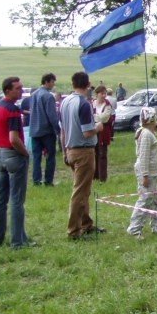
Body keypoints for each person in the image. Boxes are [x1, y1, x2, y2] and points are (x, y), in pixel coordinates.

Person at [0, 77, 33, 248]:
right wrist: (25, 153)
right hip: (14, 155)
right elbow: (14, 138)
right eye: (18, 88)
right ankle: (18, 241)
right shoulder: (12, 110)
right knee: (16, 200)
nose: (21, 91)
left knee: (0, 197)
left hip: (0, 153)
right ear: (8, 90)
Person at [61, 71, 105, 240]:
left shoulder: (65, 102)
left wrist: (65, 150)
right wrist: (98, 127)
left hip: (71, 149)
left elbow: (63, 130)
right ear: (88, 85)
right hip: (84, 151)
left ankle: (86, 224)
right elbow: (87, 132)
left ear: (73, 84)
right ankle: (73, 230)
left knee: (84, 189)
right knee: (80, 192)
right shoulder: (83, 104)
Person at [127, 107, 157, 239]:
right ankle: (134, 229)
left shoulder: (147, 132)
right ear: (151, 119)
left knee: (156, 200)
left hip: (152, 172)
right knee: (144, 200)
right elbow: (143, 156)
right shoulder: (146, 134)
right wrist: (145, 176)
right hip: (147, 173)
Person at [29, 73, 60, 186]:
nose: (53, 84)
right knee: (50, 156)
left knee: (36, 157)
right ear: (47, 82)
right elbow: (52, 115)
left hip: (34, 130)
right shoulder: (48, 96)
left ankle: (36, 180)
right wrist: (57, 129)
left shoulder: (34, 94)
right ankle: (48, 180)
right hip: (46, 131)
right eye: (52, 82)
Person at [91, 85, 113, 182]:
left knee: (102, 154)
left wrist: (95, 117)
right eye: (102, 93)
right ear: (97, 94)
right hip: (93, 132)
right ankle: (94, 176)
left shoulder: (107, 105)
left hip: (103, 132)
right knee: (93, 153)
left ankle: (102, 177)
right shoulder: (92, 103)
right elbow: (89, 116)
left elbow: (105, 118)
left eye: (105, 93)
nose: (104, 95)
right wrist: (97, 117)